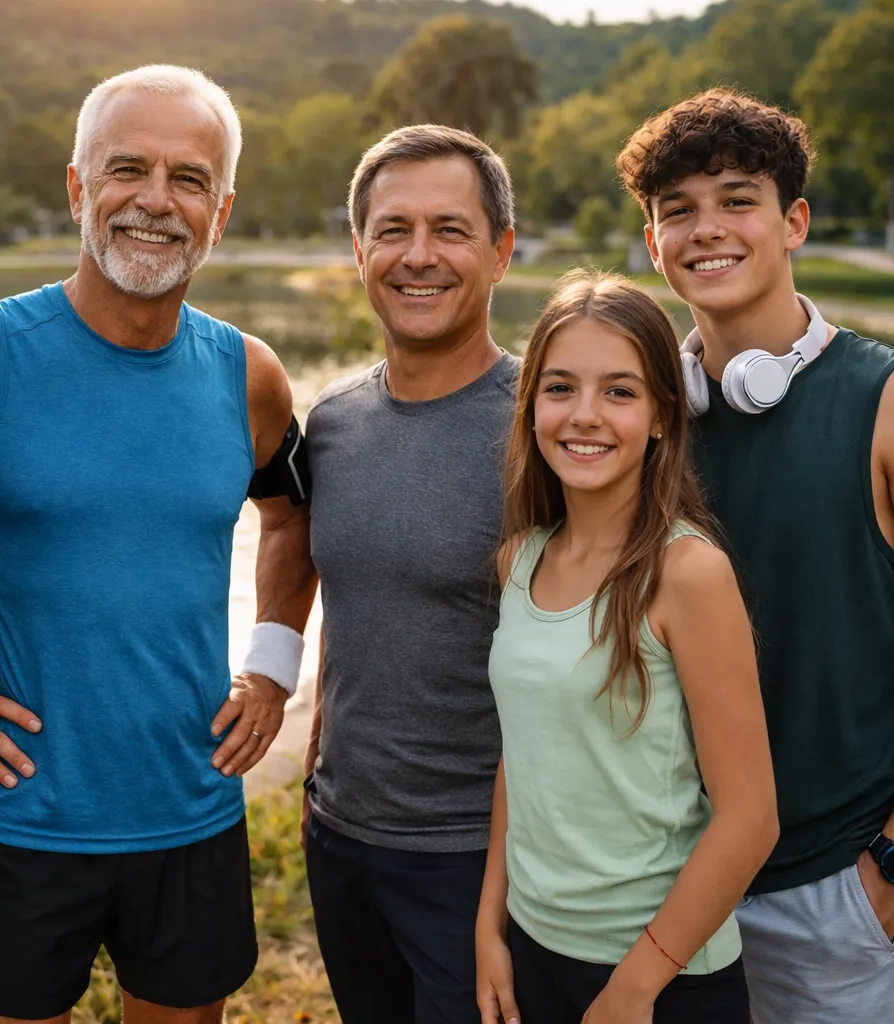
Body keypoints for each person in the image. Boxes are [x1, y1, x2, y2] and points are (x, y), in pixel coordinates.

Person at [0, 65, 314, 1024]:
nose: (155, 200)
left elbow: (290, 517)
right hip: (17, 812)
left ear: (219, 211)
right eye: (127, 169)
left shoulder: (250, 375)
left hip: (192, 805)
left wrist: (272, 670)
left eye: (188, 179)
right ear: (77, 187)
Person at [617, 89, 894, 1023]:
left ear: (792, 221)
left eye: (736, 200)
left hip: (827, 893)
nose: (705, 228)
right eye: (677, 210)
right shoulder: (646, 417)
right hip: (657, 887)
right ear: (652, 243)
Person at [475, 269, 777, 1024]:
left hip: (659, 974)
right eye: (559, 388)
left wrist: (636, 987)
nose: (584, 415)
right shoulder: (520, 560)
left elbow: (750, 818)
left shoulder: (687, 573)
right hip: (535, 950)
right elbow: (523, 754)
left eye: (618, 391)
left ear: (661, 416)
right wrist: (490, 925)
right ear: (531, 407)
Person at [301, 124, 518, 1023]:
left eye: (449, 230)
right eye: (392, 230)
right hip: (340, 840)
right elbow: (349, 600)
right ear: (359, 250)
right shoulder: (331, 423)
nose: (417, 255)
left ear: (500, 251)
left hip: (480, 860)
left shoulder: (545, 430)